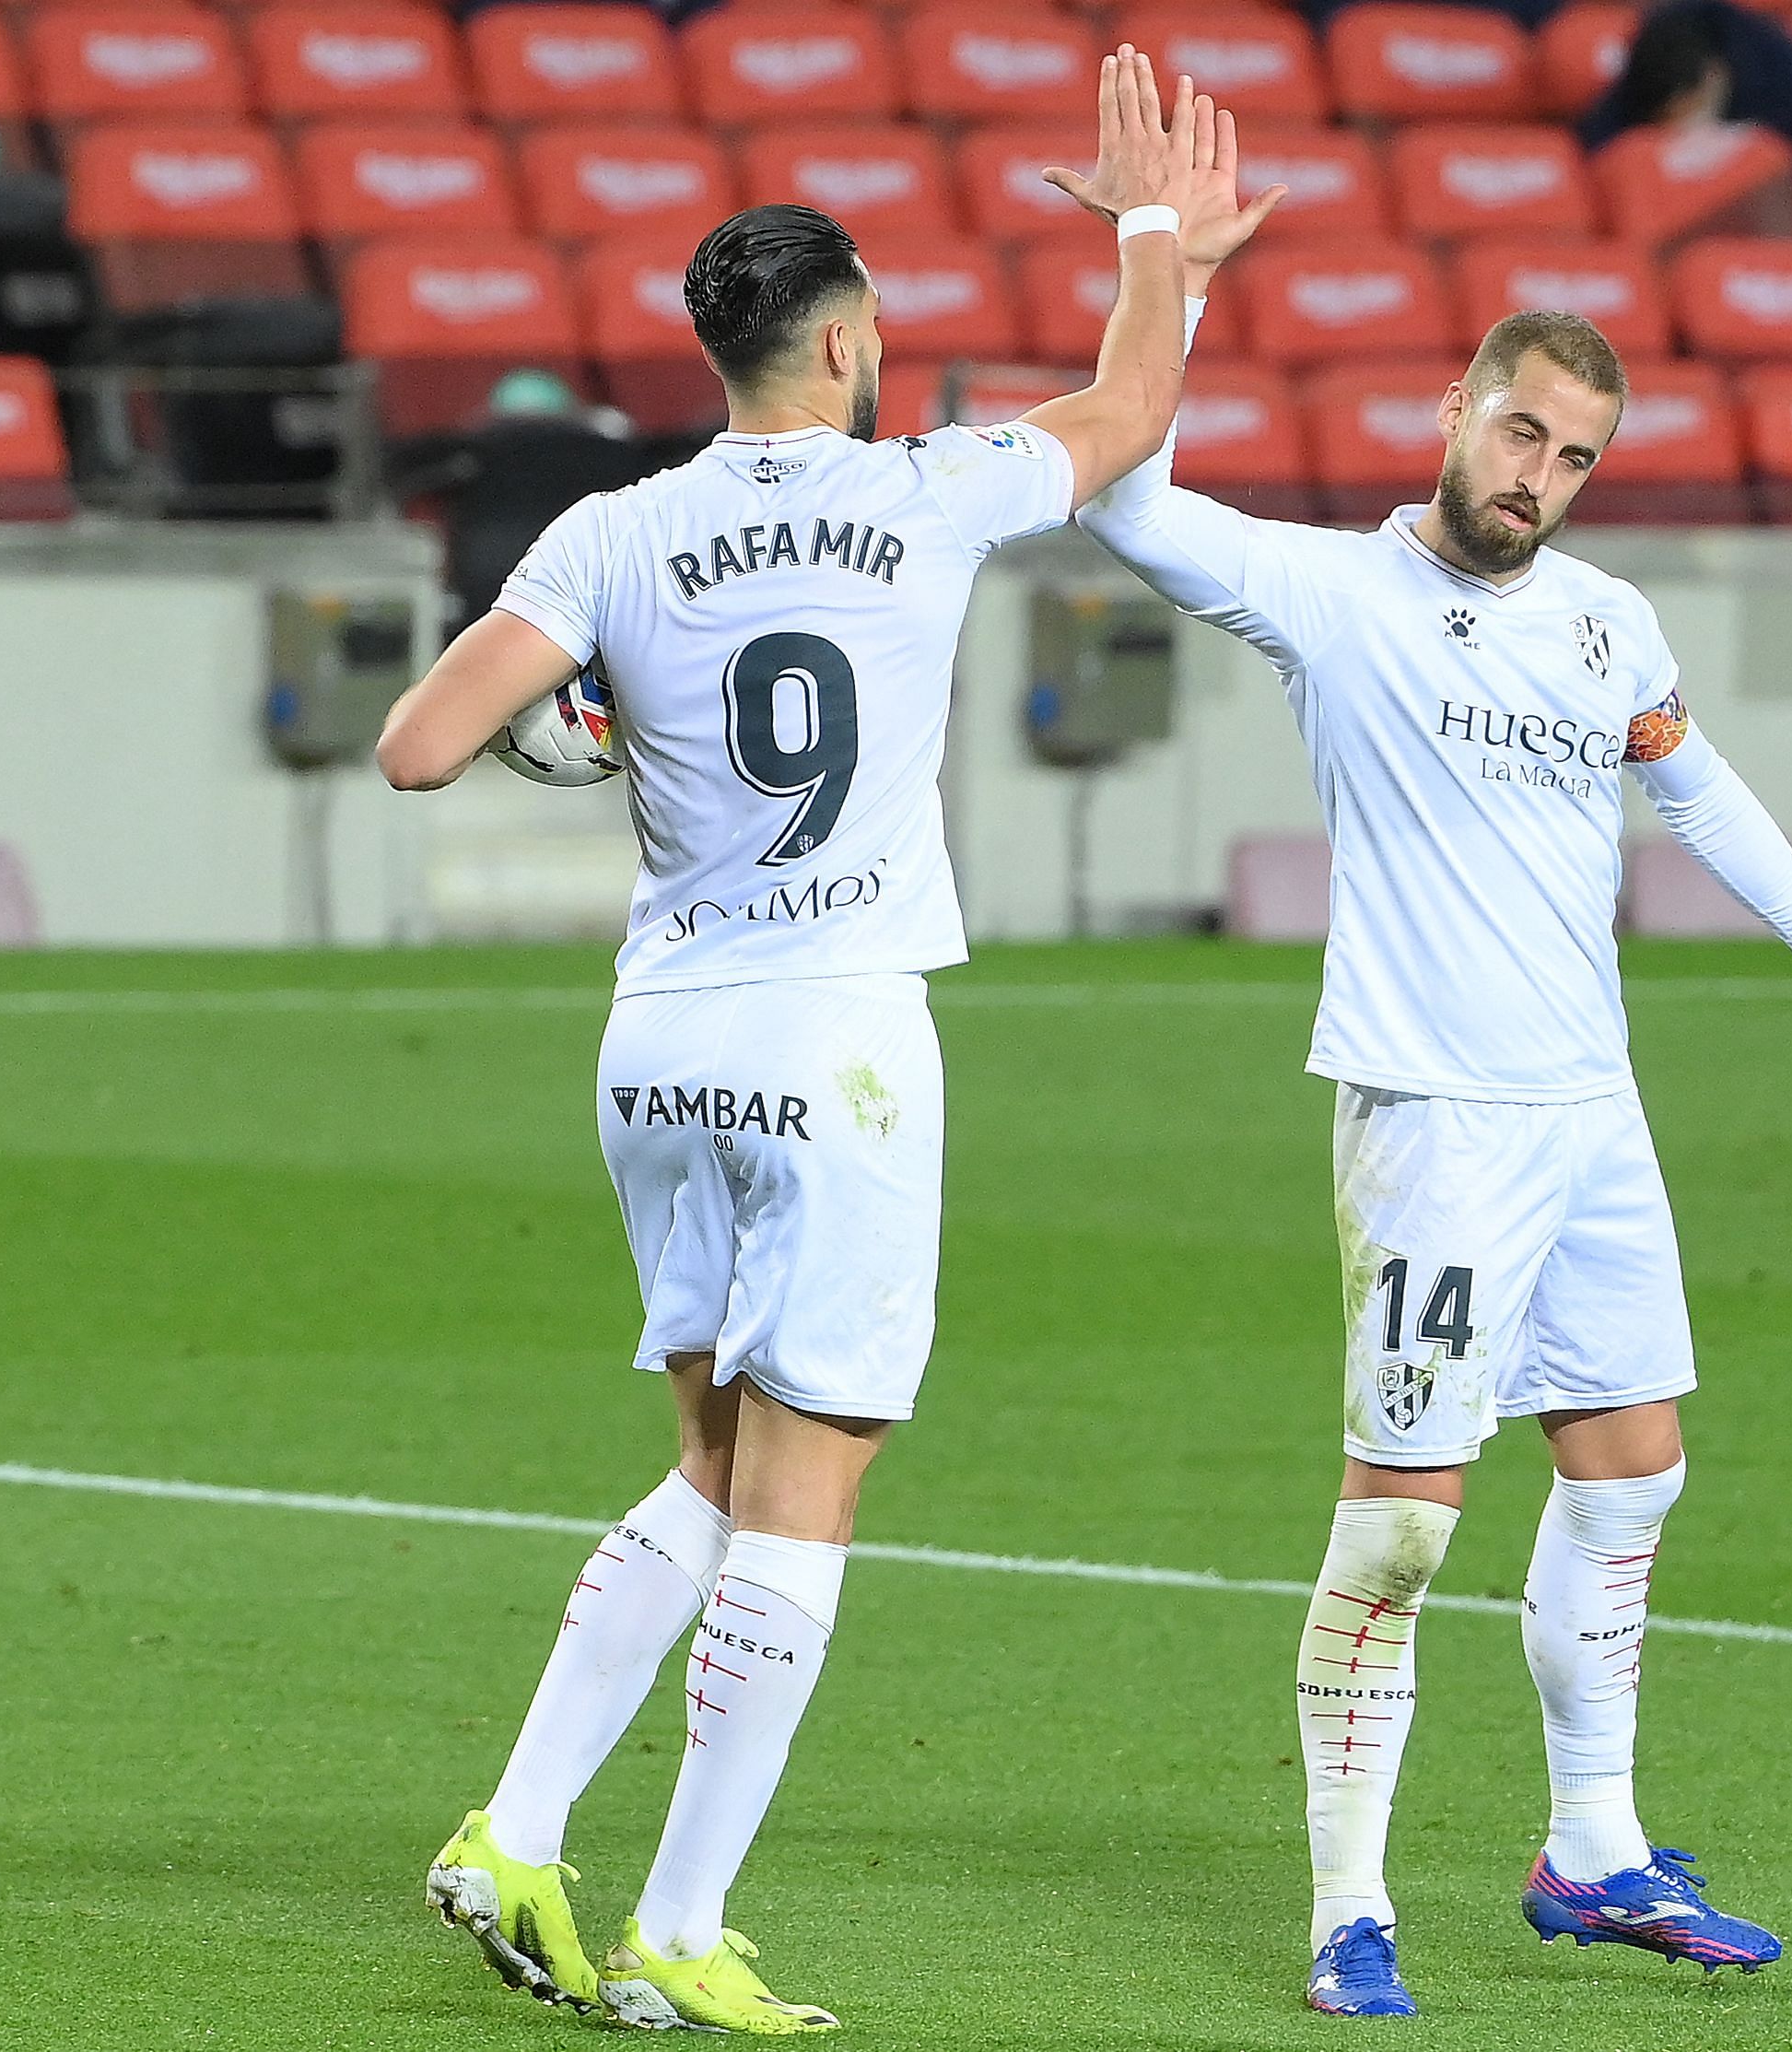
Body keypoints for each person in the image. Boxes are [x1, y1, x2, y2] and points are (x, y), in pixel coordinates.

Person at [371, 50, 1215, 2035]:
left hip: (658, 1045)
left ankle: (513, 1829)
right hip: (836, 1041)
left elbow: (413, 744)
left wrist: (557, 729)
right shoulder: (924, 492)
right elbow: (1130, 406)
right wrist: (1154, 230)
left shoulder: (608, 531)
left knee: (712, 1457)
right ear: (843, 343)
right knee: (811, 1479)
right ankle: (679, 1918)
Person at [1068, 183, 1792, 2015]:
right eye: (1519, 427)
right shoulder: (1332, 591)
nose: (1537, 469)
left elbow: (1693, 792)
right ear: (1453, 414)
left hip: (1587, 1118)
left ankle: (1591, 1852)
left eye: (1575, 453)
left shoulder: (1602, 626)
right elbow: (1120, 497)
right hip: (1431, 1122)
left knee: (1631, 1469)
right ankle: (1345, 1907)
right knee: (1401, 1522)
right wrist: (1173, 282)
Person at [1576, 0, 1792, 156]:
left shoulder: (1785, 76)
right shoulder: (1640, 80)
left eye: (1690, 112)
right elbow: (1592, 148)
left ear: (1713, 79)